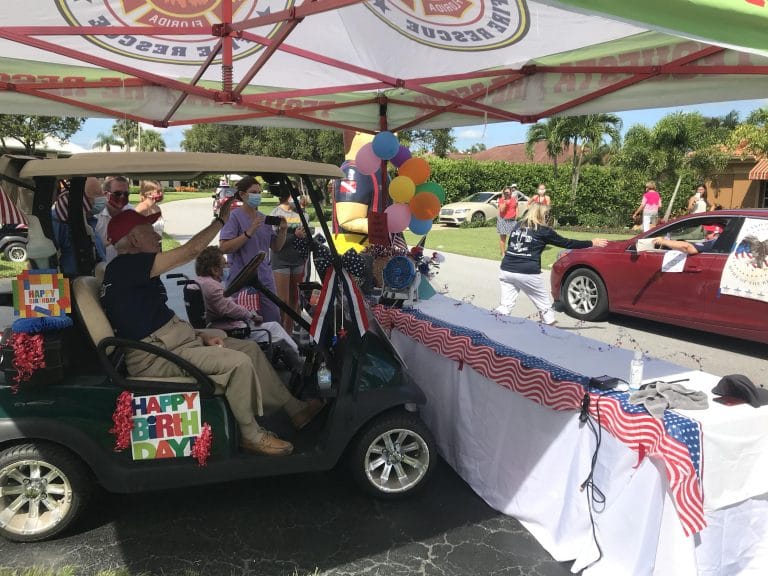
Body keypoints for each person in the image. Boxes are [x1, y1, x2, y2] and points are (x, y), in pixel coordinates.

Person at [100, 201, 323, 457]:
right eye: (149, 231)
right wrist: (220, 220)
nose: (156, 235)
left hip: (171, 344)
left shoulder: (129, 272)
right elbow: (191, 250)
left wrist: (199, 335)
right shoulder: (128, 266)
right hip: (155, 357)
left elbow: (153, 318)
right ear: (134, 240)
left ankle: (295, 410)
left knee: (248, 348)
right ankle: (251, 435)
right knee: (237, 363)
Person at [194, 246, 304, 371]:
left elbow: (225, 305)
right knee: (276, 331)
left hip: (221, 324)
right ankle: (298, 364)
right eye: (224, 265)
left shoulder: (200, 282)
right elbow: (229, 308)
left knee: (273, 327)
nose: (227, 267)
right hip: (229, 330)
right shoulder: (212, 286)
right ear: (214, 269)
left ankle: (291, 357)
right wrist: (251, 316)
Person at [494, 203, 607, 325]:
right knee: (545, 307)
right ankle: (550, 332)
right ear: (542, 215)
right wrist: (591, 242)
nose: (548, 217)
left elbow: (511, 244)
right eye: (547, 214)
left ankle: (492, 324)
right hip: (527, 272)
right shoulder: (543, 231)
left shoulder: (517, 225)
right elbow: (566, 243)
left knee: (505, 305)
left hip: (506, 269)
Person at [219, 176, 287, 324]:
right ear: (243, 195)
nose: (257, 195)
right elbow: (224, 247)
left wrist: (283, 231)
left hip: (264, 278)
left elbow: (276, 247)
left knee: (273, 319)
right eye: (253, 192)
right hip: (241, 278)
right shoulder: (234, 217)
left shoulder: (264, 219)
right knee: (246, 322)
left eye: (259, 192)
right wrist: (249, 232)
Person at [269, 184, 309, 333]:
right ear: (288, 197)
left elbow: (307, 233)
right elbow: (273, 242)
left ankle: (289, 332)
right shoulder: (274, 214)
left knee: (295, 300)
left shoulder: (303, 214)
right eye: (296, 195)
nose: (298, 198)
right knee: (283, 301)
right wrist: (294, 236)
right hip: (280, 261)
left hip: (298, 260)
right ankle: (279, 331)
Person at [51, 177, 107, 275]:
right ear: (81, 198)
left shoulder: (89, 221)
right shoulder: (59, 221)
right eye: (96, 195)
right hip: (71, 284)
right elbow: (45, 259)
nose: (102, 199)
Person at [95, 176, 134, 263]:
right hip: (100, 268)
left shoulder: (131, 212)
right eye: (117, 194)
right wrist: (102, 244)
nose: (122, 197)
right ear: (106, 195)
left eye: (126, 194)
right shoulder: (96, 215)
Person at [653, 224, 723, 254]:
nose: (705, 235)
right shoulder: (719, 243)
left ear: (715, 234)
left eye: (708, 232)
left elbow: (689, 247)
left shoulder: (713, 243)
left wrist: (663, 241)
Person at [496, 186, 519, 257]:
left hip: (512, 220)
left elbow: (516, 207)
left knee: (514, 237)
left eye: (508, 192)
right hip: (503, 220)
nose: (507, 194)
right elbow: (502, 210)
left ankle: (512, 251)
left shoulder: (514, 199)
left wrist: (517, 216)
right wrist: (505, 202)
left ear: (511, 192)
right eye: (505, 193)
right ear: (503, 193)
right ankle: (503, 253)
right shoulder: (501, 200)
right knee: (503, 238)